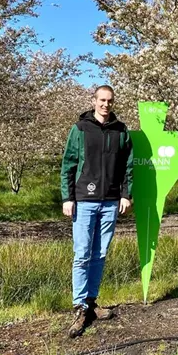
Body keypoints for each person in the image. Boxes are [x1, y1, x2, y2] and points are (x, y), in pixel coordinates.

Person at [60, 85, 134, 338]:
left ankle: (91, 302)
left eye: (109, 100)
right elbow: (68, 164)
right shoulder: (80, 129)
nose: (105, 104)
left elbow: (128, 166)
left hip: (111, 201)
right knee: (82, 254)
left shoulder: (121, 131)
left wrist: (126, 194)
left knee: (100, 253)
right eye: (101, 100)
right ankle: (80, 307)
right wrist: (67, 197)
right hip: (84, 200)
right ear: (94, 101)